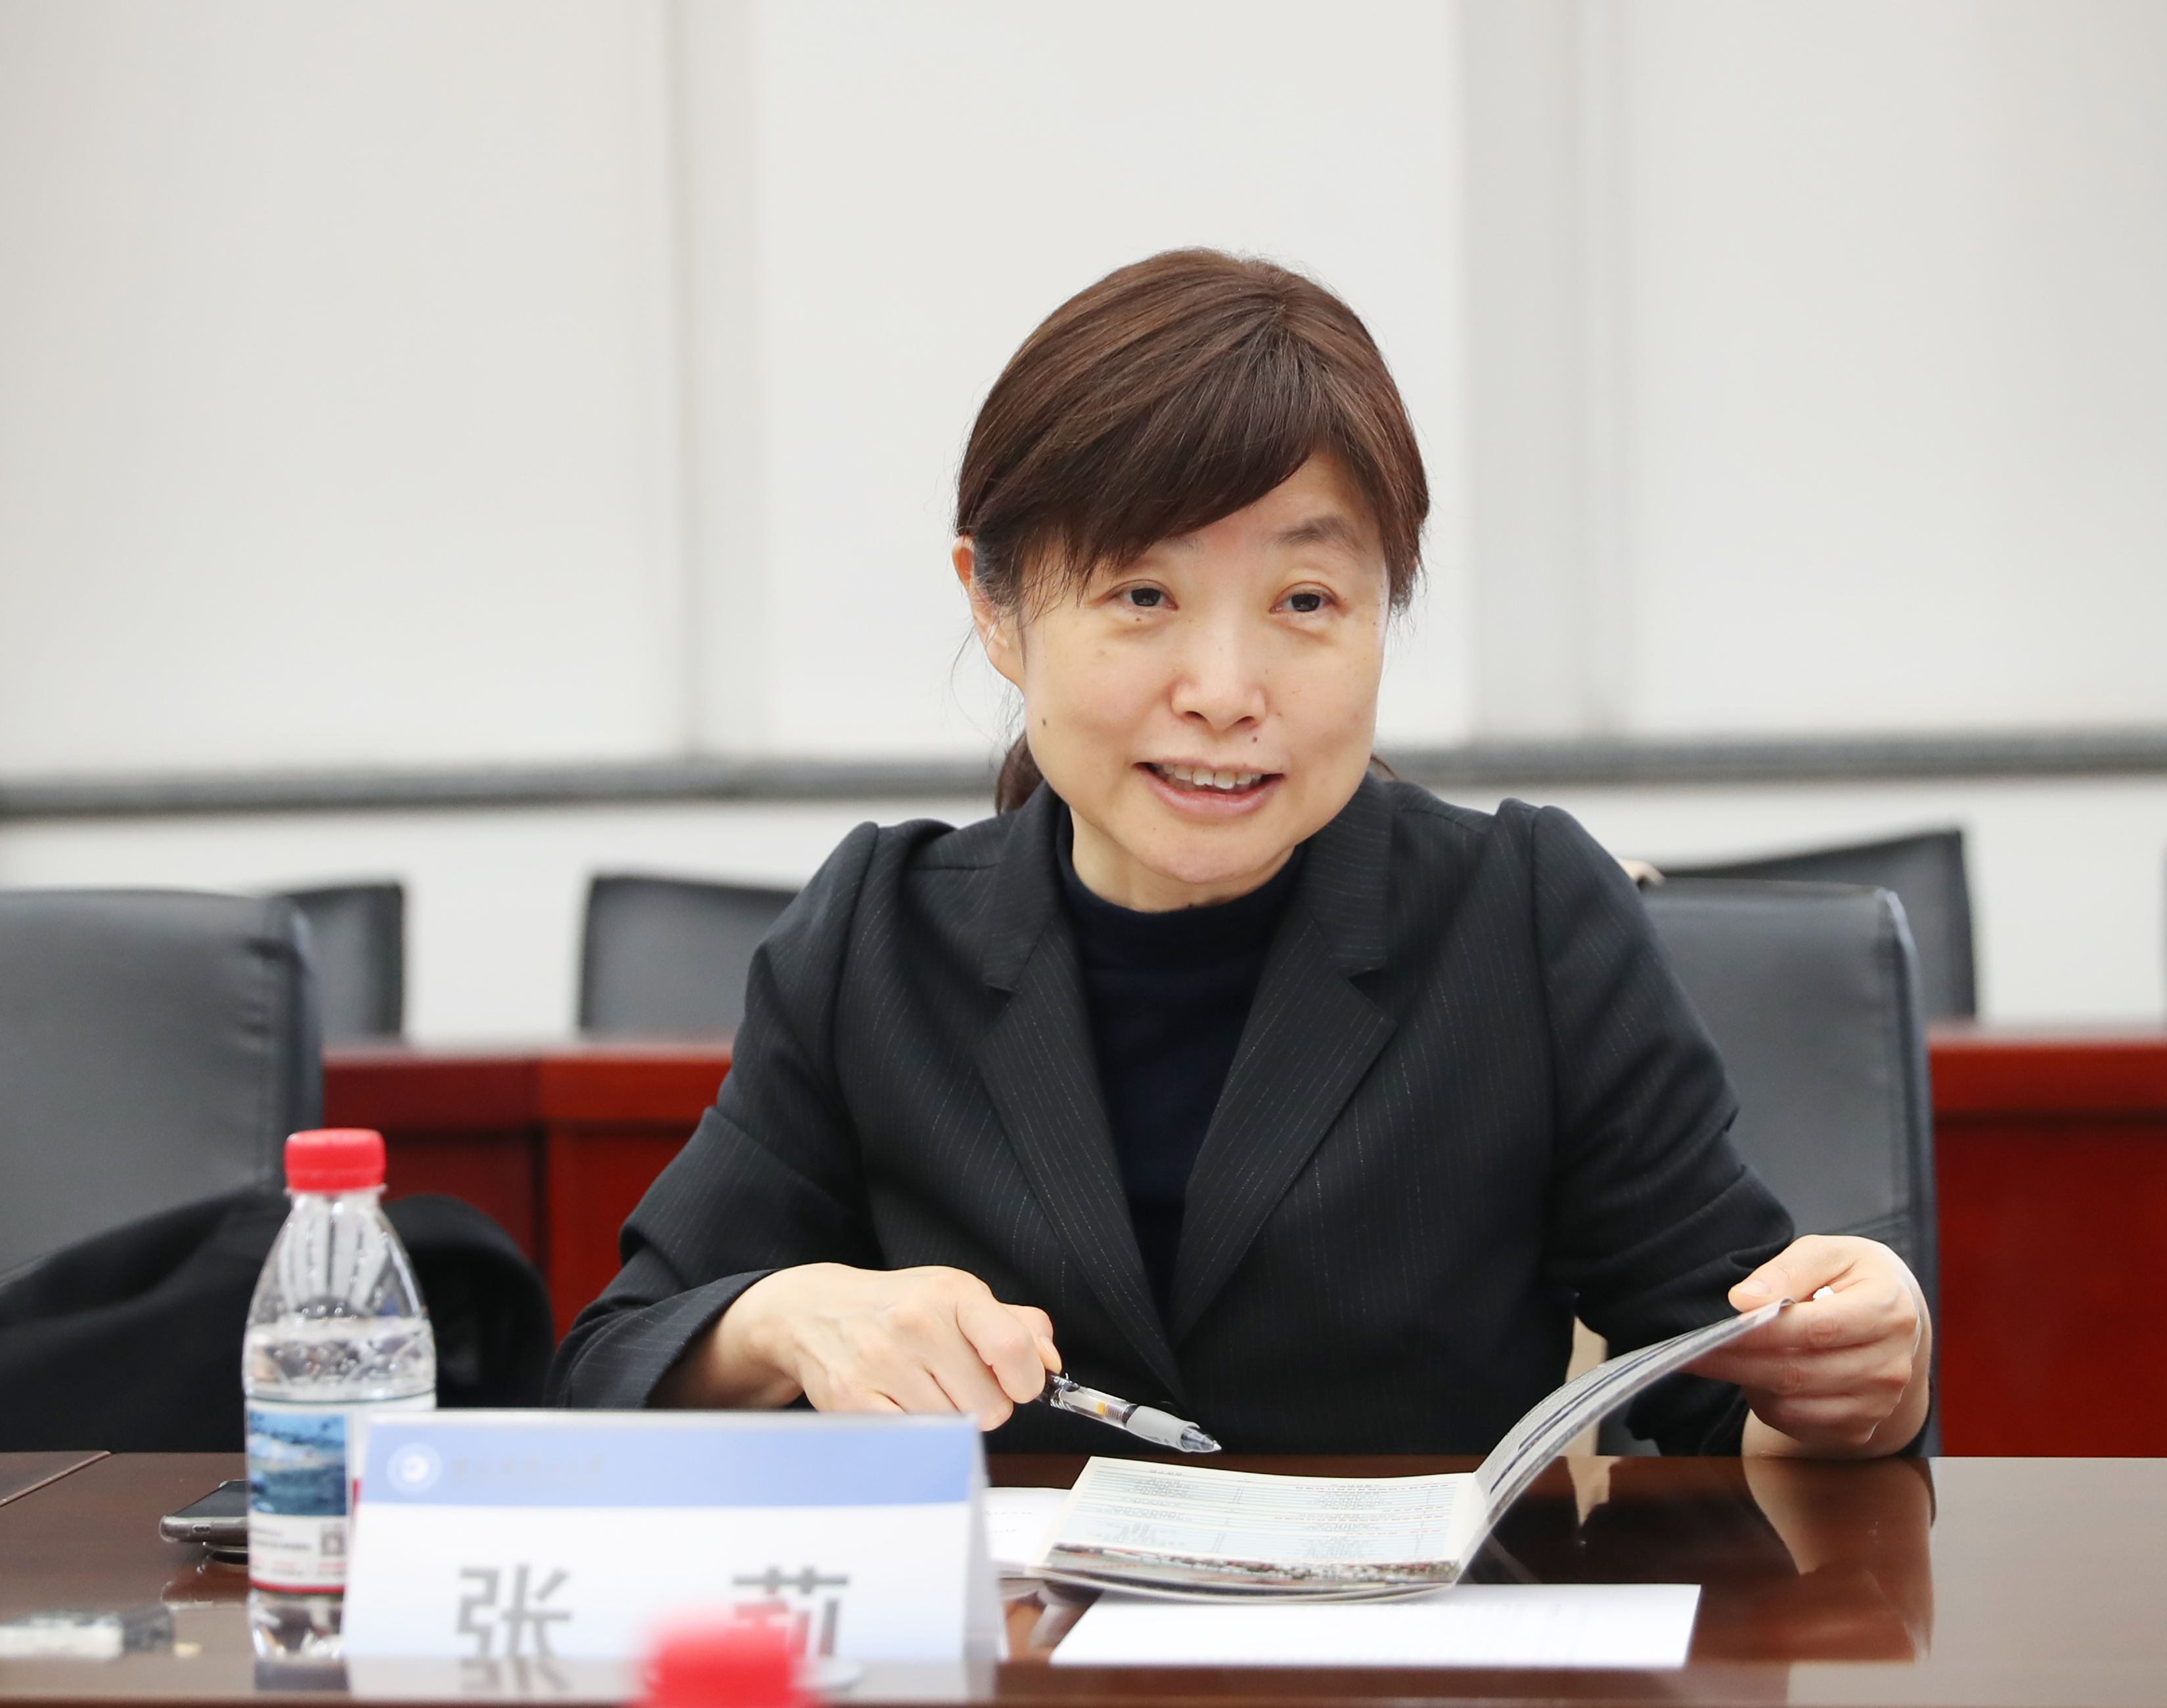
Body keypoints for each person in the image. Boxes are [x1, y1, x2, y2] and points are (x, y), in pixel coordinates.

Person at [549, 250, 1931, 1458]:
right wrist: (788, 1318)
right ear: (997, 608)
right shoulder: (877, 937)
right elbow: (611, 1369)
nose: (1224, 690)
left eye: (1307, 600)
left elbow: (1731, 1393)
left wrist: (1856, 1384)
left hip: (1410, 1649)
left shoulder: (1523, 918)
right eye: (1144, 593)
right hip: (1018, 1647)